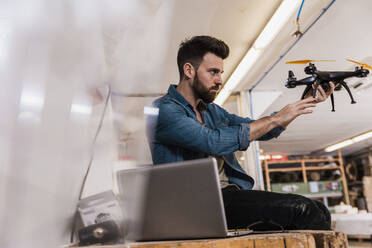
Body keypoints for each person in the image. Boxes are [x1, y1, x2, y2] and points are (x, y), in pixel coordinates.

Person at [146, 35, 335, 231]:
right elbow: (212, 142)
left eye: (220, 73)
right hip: (195, 205)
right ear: (188, 70)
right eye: (213, 72)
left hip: (227, 196)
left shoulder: (212, 111)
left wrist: (305, 102)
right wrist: (275, 118)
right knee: (304, 210)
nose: (219, 80)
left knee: (320, 210)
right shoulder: (163, 110)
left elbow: (260, 129)